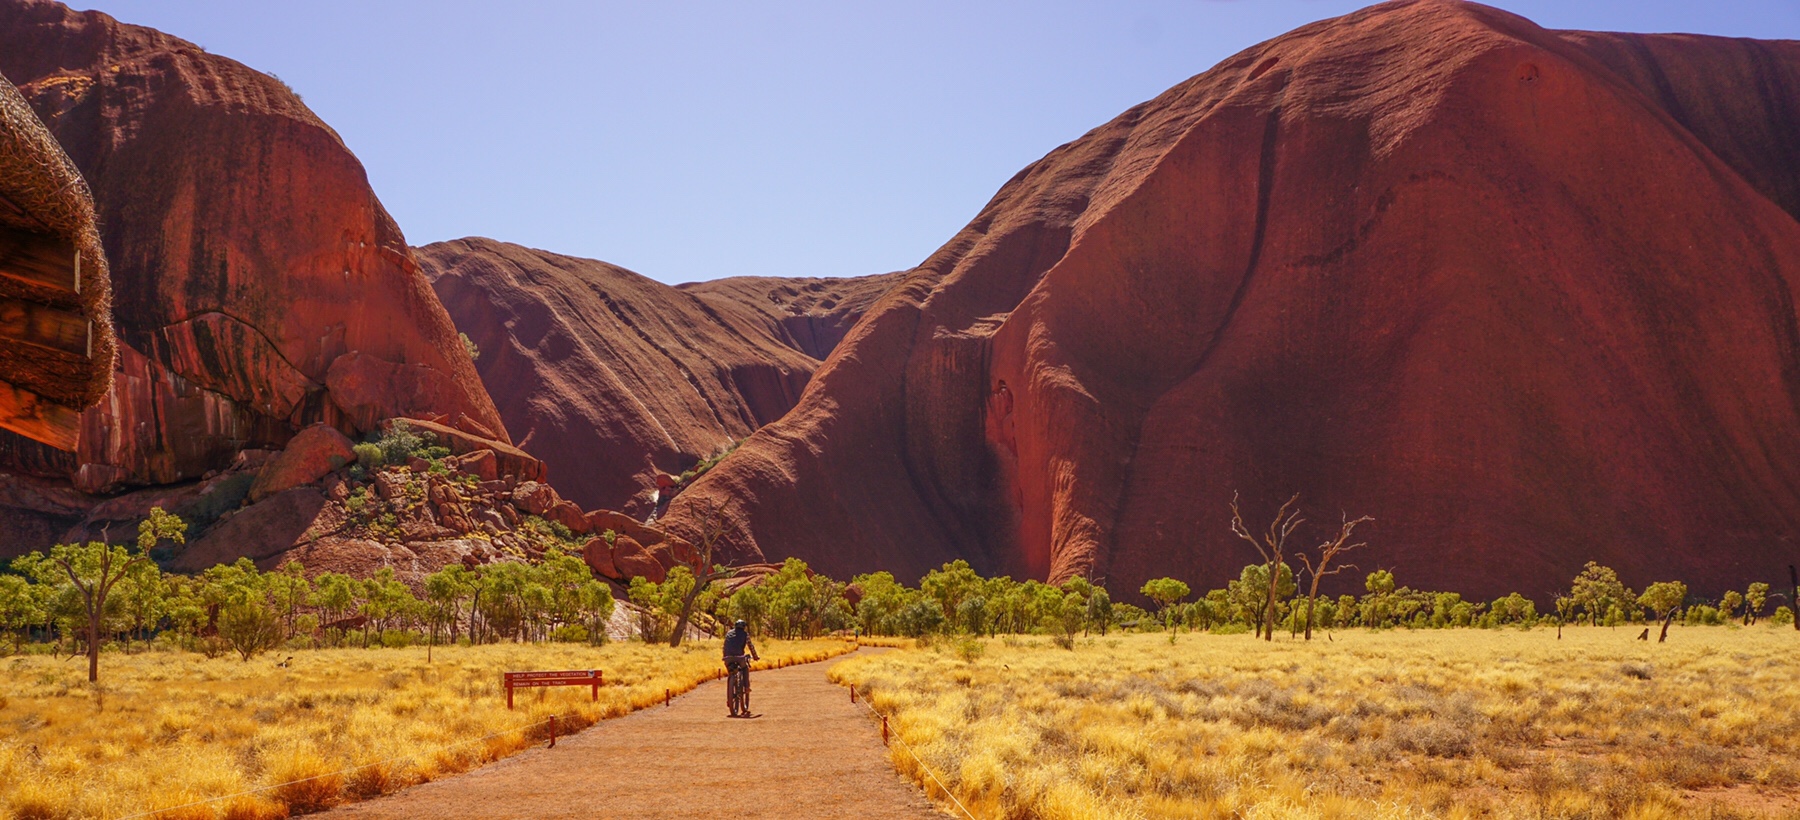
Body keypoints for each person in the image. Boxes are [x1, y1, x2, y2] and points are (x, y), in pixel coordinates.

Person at [723, 619, 759, 716]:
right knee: (745, 668)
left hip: (727, 658)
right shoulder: (745, 634)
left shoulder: (728, 633)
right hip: (739, 657)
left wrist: (726, 657)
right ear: (744, 627)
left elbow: (725, 646)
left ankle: (730, 697)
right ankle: (746, 687)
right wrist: (755, 656)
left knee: (731, 673)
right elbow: (750, 646)